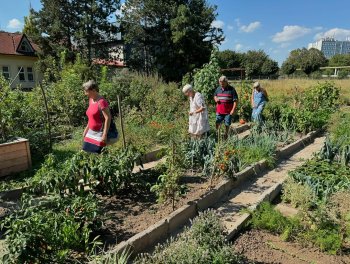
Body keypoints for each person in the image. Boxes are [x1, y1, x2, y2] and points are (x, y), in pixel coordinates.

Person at [82, 80, 112, 154]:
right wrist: (86, 129)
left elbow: (108, 118)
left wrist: (104, 135)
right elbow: (91, 117)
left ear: (93, 90)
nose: (85, 94)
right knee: (86, 152)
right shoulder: (91, 100)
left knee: (98, 154)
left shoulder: (101, 102)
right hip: (90, 132)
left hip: (99, 133)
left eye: (86, 91)